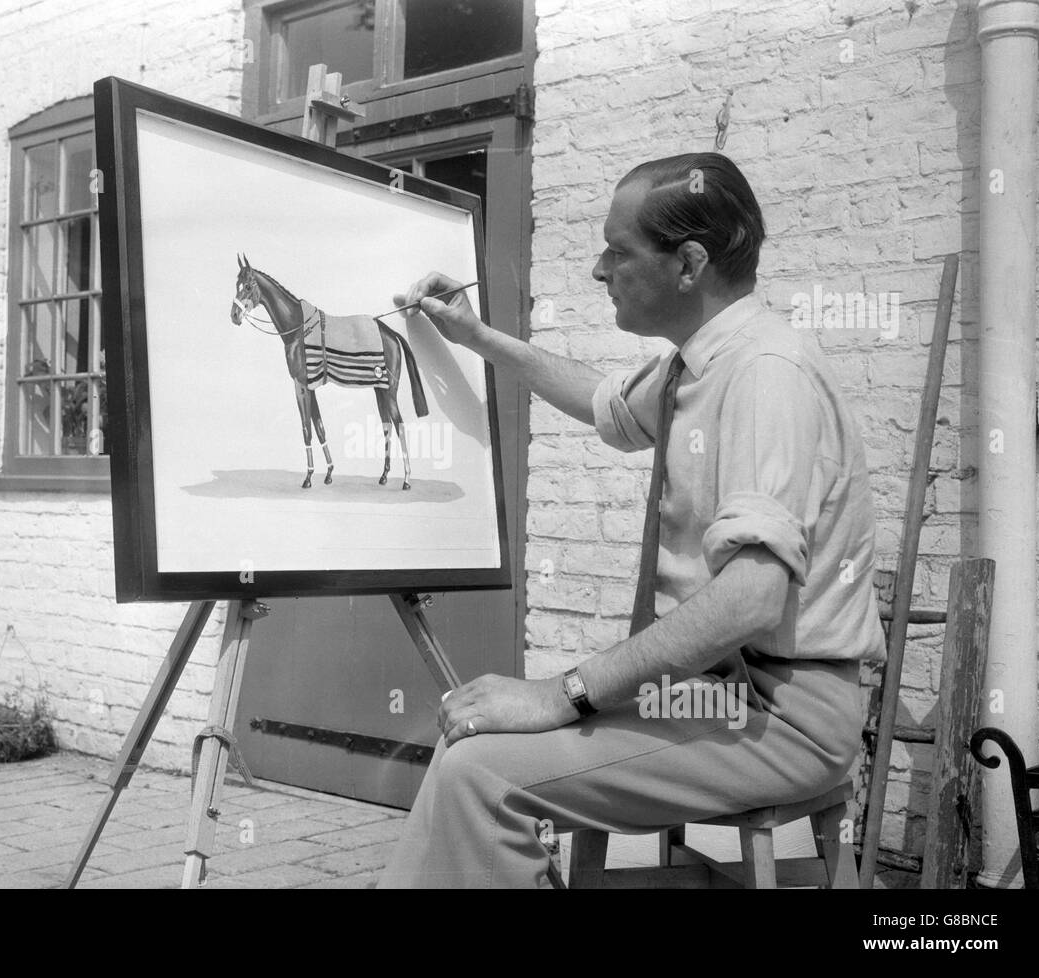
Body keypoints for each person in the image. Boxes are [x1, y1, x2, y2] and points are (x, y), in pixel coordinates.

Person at [376, 152, 886, 888]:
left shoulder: (766, 373)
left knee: (480, 773)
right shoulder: (702, 362)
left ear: (688, 264)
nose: (597, 268)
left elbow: (752, 597)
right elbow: (604, 403)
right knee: (473, 745)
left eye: (617, 250)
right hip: (715, 692)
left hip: (780, 713)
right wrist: (477, 337)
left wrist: (562, 692)